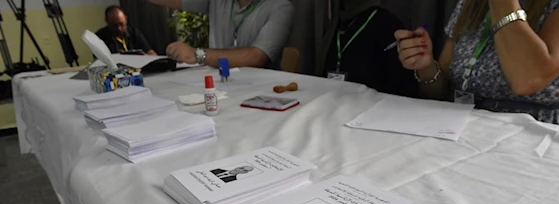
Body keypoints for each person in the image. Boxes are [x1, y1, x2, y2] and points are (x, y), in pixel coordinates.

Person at [395, 0, 559, 127]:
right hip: (461, 127)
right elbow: (443, 89)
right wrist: (425, 66)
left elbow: (527, 79)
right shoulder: (472, 2)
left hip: (535, 138)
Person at [147, 0, 294, 68]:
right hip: (217, 86)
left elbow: (257, 57)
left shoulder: (280, 6)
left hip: (260, 93)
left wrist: (197, 55)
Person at [319, 0, 418, 97]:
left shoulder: (388, 25)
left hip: (373, 109)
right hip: (332, 104)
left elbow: (404, 91)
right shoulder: (336, 22)